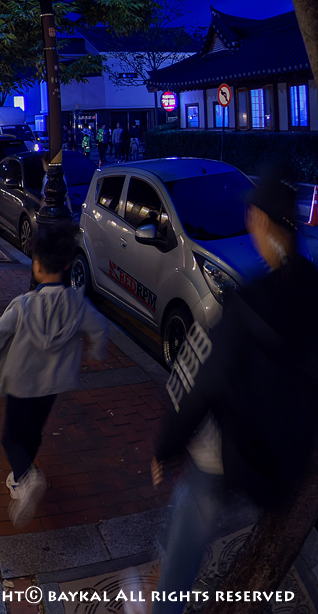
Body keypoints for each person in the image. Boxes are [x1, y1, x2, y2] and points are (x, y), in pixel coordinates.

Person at [147, 166, 318, 614]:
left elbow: (203, 382)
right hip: (290, 455)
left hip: (245, 455)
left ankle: (167, 600)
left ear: (259, 221)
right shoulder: (312, 287)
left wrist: (166, 447)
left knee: (195, 495)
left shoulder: (247, 306)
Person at [0, 223, 109, 525]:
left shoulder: (23, 306)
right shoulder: (78, 303)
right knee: (33, 431)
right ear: (66, 265)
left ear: (37, 266)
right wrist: (95, 354)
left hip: (21, 383)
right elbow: (100, 329)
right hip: (52, 385)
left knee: (10, 438)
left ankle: (26, 478)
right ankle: (22, 476)